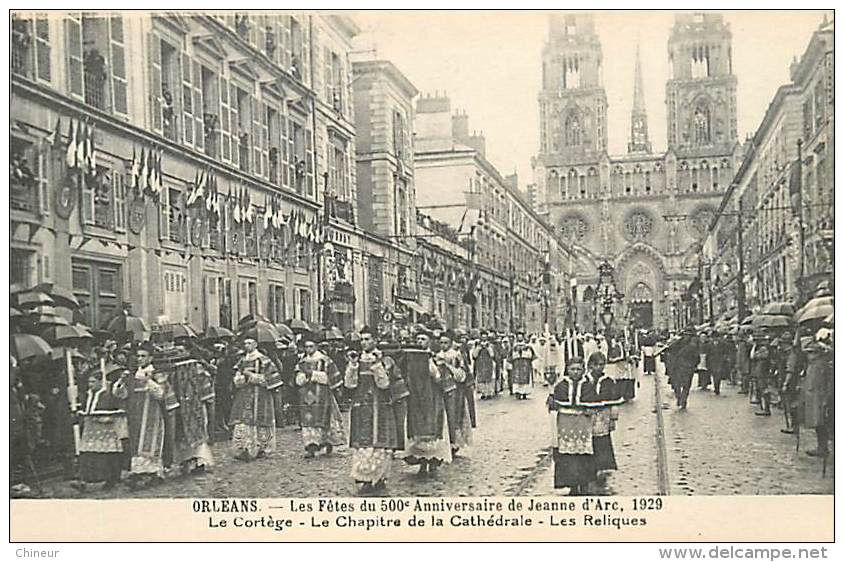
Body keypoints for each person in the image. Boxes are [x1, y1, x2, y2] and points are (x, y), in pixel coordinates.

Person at [344, 327, 400, 493]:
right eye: (362, 339)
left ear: (375, 340)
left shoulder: (385, 360)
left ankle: (379, 476)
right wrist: (353, 365)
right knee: (363, 443)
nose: (364, 343)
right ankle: (365, 478)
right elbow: (349, 384)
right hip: (362, 406)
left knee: (379, 442)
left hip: (379, 406)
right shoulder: (357, 359)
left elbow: (385, 384)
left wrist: (377, 365)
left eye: (368, 339)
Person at [118, 343, 171, 488]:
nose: (140, 359)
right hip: (135, 414)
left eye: (143, 356)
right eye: (138, 356)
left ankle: (153, 473)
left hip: (152, 414)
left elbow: (161, 394)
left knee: (150, 443)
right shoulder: (132, 374)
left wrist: (149, 381)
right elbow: (121, 394)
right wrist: (121, 381)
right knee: (136, 443)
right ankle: (138, 472)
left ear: (151, 358)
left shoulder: (157, 374)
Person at [72, 364, 129, 491]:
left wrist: (105, 417)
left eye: (93, 382)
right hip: (91, 429)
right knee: (88, 454)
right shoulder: (88, 395)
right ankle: (84, 480)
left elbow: (118, 409)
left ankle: (110, 479)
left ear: (99, 382)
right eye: (89, 382)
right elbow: (85, 408)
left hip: (106, 430)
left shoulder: (108, 394)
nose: (90, 385)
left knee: (107, 455)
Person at [403, 329, 452, 474]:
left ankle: (434, 462)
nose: (419, 342)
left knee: (433, 428)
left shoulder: (436, 358)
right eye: (417, 339)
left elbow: (439, 378)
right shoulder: (411, 357)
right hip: (417, 399)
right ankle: (422, 461)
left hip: (432, 397)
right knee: (417, 429)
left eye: (423, 339)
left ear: (430, 341)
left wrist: (430, 363)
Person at [547, 355, 597, 496]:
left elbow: (593, 403)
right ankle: (572, 484)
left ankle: (584, 482)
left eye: (578, 369)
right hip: (566, 423)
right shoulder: (561, 385)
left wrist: (589, 409)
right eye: (572, 369)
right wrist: (552, 398)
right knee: (569, 456)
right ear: (567, 369)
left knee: (583, 454)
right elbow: (554, 405)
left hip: (583, 424)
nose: (575, 372)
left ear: (583, 370)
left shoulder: (588, 385)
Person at [229, 337, 283, 460]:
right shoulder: (242, 360)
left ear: (255, 344)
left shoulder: (264, 360)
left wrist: (252, 376)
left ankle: (263, 447)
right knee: (244, 421)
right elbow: (236, 377)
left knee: (261, 420)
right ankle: (244, 447)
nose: (247, 345)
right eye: (245, 343)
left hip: (261, 394)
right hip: (245, 394)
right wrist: (241, 379)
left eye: (249, 343)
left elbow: (272, 379)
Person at [295, 335, 345, 458]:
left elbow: (332, 377)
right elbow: (297, 377)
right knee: (308, 420)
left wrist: (314, 374)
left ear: (316, 346)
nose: (308, 349)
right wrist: (302, 378)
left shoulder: (325, 360)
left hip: (322, 394)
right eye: (306, 347)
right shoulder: (302, 361)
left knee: (323, 418)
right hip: (305, 395)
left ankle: (326, 442)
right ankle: (310, 445)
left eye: (311, 346)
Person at [170, 353, 216, 472]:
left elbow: (208, 396)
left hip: (197, 408)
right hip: (182, 409)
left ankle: (198, 461)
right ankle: (185, 461)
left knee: (197, 435)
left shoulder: (200, 374)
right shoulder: (172, 375)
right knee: (182, 437)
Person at [436, 331, 473, 457]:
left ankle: (454, 443)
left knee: (454, 415)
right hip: (441, 389)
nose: (443, 345)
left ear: (451, 343)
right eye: (441, 342)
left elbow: (462, 375)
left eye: (446, 343)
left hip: (456, 390)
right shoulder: (437, 356)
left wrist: (447, 365)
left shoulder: (456, 356)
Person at [587, 351, 623, 480]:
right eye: (596, 365)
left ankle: (602, 465)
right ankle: (590, 465)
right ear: (590, 365)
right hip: (588, 416)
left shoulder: (608, 382)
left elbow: (614, 401)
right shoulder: (585, 381)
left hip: (603, 415)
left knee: (602, 440)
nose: (599, 368)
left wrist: (613, 418)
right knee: (589, 441)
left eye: (602, 365)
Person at [800, 335, 832, 458]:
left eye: (812, 353)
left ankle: (823, 448)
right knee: (816, 423)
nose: (809, 355)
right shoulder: (811, 365)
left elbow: (828, 383)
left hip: (820, 398)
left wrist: (826, 399)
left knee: (821, 423)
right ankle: (820, 446)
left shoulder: (822, 365)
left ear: (817, 353)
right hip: (811, 397)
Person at [673, 329, 699, 409]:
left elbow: (696, 357)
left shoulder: (691, 346)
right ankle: (681, 399)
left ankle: (682, 399)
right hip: (683, 367)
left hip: (684, 367)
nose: (686, 337)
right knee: (682, 385)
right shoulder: (679, 344)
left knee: (684, 385)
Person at [750, 331, 774, 416]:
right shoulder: (760, 348)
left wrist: (754, 348)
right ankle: (765, 407)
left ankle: (766, 409)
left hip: (763, 372)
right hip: (759, 371)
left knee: (764, 389)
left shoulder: (764, 349)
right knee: (761, 389)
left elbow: (753, 356)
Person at [509, 335, 535, 399]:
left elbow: (532, 356)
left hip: (525, 365)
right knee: (517, 380)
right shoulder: (514, 347)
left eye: (521, 337)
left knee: (526, 379)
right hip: (517, 365)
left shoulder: (528, 347)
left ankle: (525, 393)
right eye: (519, 337)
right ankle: (518, 392)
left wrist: (525, 354)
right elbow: (510, 356)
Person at [472, 333, 497, 399]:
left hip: (488, 363)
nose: (484, 339)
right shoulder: (477, 345)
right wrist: (478, 348)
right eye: (482, 337)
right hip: (480, 363)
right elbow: (474, 355)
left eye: (485, 337)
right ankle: (483, 393)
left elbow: (492, 355)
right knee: (481, 378)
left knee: (489, 378)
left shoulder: (490, 345)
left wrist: (488, 348)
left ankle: (489, 392)